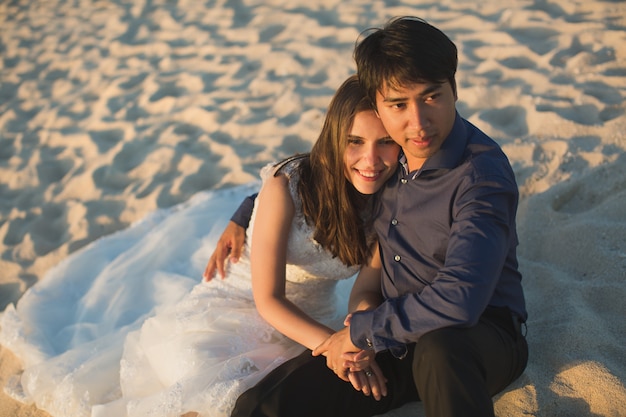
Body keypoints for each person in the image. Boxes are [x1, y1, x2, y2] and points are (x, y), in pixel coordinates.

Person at [0, 75, 399, 417]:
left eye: (385, 142)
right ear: (332, 140)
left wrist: (355, 331)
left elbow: (365, 289)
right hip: (241, 301)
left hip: (315, 316)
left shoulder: (392, 204)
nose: (371, 159)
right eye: (354, 141)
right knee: (203, 376)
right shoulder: (289, 185)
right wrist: (329, 345)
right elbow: (268, 299)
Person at [216, 16, 529, 417]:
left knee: (440, 348)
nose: (417, 123)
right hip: (395, 337)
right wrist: (244, 214)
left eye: (431, 96)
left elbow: (461, 299)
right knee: (261, 405)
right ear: (379, 104)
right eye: (398, 104)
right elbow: (312, 178)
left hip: (477, 338)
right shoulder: (386, 161)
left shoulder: (481, 177)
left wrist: (363, 332)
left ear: (453, 88)